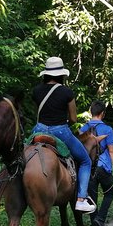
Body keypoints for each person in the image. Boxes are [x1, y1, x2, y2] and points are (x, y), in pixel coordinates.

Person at [31, 56, 96, 213]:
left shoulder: (36, 91)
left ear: (46, 74)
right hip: (60, 131)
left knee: (22, 157)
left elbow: (39, 113)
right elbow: (73, 119)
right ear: (61, 74)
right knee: (86, 160)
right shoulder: (67, 92)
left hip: (38, 129)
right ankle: (81, 199)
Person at [79, 100, 113, 226]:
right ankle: (100, 219)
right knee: (110, 193)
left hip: (88, 169)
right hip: (103, 167)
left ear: (91, 112)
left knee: (92, 198)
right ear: (102, 114)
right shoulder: (107, 129)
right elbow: (112, 151)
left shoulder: (83, 129)